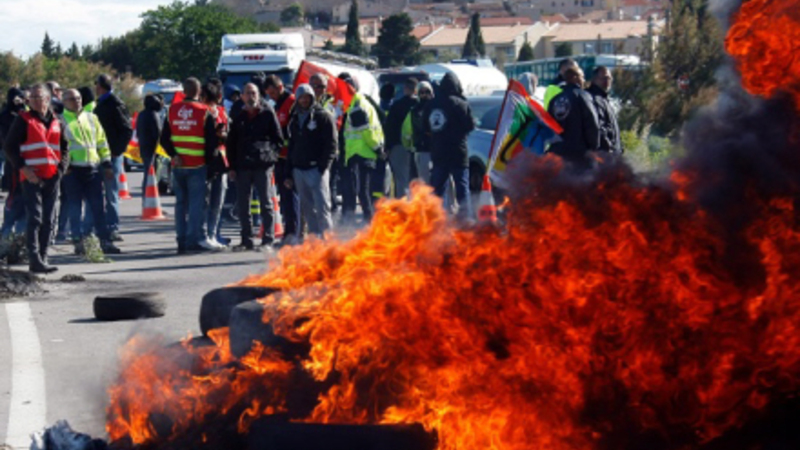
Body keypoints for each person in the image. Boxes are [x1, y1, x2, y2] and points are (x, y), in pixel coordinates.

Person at [3, 83, 70, 273]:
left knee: (49, 219)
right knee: (35, 218)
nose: (33, 101)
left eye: (37, 97)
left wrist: (60, 170)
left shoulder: (58, 120)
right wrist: (24, 169)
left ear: (47, 99)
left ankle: (43, 256)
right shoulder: (23, 120)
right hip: (31, 177)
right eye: (31, 98)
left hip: (52, 176)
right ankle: (34, 259)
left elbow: (65, 148)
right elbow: (9, 147)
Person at [160, 77, 221, 253]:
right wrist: (211, 165)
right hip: (197, 165)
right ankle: (192, 241)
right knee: (195, 205)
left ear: (184, 92)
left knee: (180, 205)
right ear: (199, 91)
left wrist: (174, 155)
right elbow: (212, 144)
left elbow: (164, 139)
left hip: (178, 166)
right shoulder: (204, 112)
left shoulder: (172, 110)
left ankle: (181, 240)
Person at [60, 89, 121, 255]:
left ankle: (104, 241)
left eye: (78, 98)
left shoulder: (91, 118)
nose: (76, 101)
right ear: (64, 102)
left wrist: (107, 164)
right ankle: (78, 241)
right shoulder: (61, 121)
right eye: (72, 99)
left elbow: (102, 142)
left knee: (98, 207)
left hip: (92, 168)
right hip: (72, 171)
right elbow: (58, 146)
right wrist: (65, 166)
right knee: (75, 208)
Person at [225, 82, 283, 251]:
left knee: (266, 203)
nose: (251, 97)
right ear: (242, 96)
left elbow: (278, 139)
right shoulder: (238, 114)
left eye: (254, 93)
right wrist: (232, 166)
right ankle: (246, 240)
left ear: (259, 95)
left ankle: (268, 240)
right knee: (243, 205)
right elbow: (231, 142)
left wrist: (269, 156)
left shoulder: (267, 113)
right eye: (248, 93)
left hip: (262, 166)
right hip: (242, 165)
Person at [285, 84, 337, 237]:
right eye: (301, 97)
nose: (304, 100)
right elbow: (291, 146)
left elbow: (331, 144)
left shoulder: (323, 116)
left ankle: (327, 241)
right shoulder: (294, 118)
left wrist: (323, 167)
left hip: (316, 170)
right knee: (307, 209)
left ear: (312, 98)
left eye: (307, 97)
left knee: (322, 207)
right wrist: (289, 172)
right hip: (299, 170)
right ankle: (314, 241)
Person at [423, 72, 474, 221]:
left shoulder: (431, 105)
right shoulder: (461, 103)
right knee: (462, 189)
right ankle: (466, 221)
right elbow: (470, 126)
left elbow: (426, 128)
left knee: (437, 190)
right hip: (458, 152)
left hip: (439, 152)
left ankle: (436, 221)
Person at [93, 74, 133, 242]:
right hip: (98, 154)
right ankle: (99, 228)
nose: (95, 87)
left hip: (111, 155)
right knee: (97, 194)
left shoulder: (114, 104)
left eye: (96, 84)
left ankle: (112, 228)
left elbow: (127, 129)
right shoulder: (100, 104)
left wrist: (117, 151)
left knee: (111, 194)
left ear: (101, 86)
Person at [340, 74, 384, 224]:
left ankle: (369, 222)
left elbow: (366, 132)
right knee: (363, 191)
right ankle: (368, 222)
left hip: (360, 153)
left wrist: (377, 149)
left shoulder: (356, 105)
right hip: (364, 153)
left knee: (361, 191)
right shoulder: (359, 102)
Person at [263, 74, 300, 243]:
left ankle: (293, 234)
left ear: (280, 88)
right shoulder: (277, 105)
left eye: (272, 93)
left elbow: (291, 132)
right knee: (285, 198)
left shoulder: (291, 103)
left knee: (291, 197)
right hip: (279, 157)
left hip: (290, 158)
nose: (271, 97)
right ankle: (289, 232)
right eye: (268, 94)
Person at [546, 67, 601, 171]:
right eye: (582, 77)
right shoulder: (583, 96)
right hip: (580, 156)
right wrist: (594, 148)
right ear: (575, 78)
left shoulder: (554, 100)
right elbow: (592, 124)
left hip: (559, 156)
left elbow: (549, 127)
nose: (584, 80)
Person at [201, 81, 230, 248]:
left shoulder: (222, 112)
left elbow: (229, 134)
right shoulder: (200, 112)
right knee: (205, 202)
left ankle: (212, 234)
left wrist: (222, 134)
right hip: (204, 161)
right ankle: (204, 235)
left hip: (221, 161)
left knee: (217, 202)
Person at [0, 87, 28, 238]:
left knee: (26, 197)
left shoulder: (25, 113)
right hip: (14, 162)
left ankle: (20, 231)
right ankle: (6, 229)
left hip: (28, 159)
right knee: (14, 195)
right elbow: (7, 140)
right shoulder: (5, 116)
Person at [385, 78, 419, 198]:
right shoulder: (420, 105)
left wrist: (388, 147)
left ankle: (403, 205)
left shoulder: (397, 105)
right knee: (418, 179)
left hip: (399, 146)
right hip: (419, 147)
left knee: (401, 179)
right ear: (416, 90)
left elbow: (389, 127)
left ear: (405, 89)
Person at [587, 66, 622, 155]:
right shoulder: (594, 98)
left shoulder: (604, 99)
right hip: (604, 155)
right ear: (594, 79)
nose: (607, 81)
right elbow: (600, 127)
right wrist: (608, 148)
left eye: (609, 78)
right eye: (604, 78)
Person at [136, 93, 164, 199]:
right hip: (152, 148)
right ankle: (148, 197)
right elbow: (157, 132)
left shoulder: (141, 114)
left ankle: (147, 196)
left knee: (147, 172)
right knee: (150, 173)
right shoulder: (153, 114)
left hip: (143, 146)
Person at [409, 81, 434, 184]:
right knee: (425, 181)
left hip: (437, 149)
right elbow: (422, 127)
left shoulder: (435, 108)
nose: (425, 95)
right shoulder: (416, 110)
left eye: (427, 92)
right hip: (422, 149)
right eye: (422, 92)